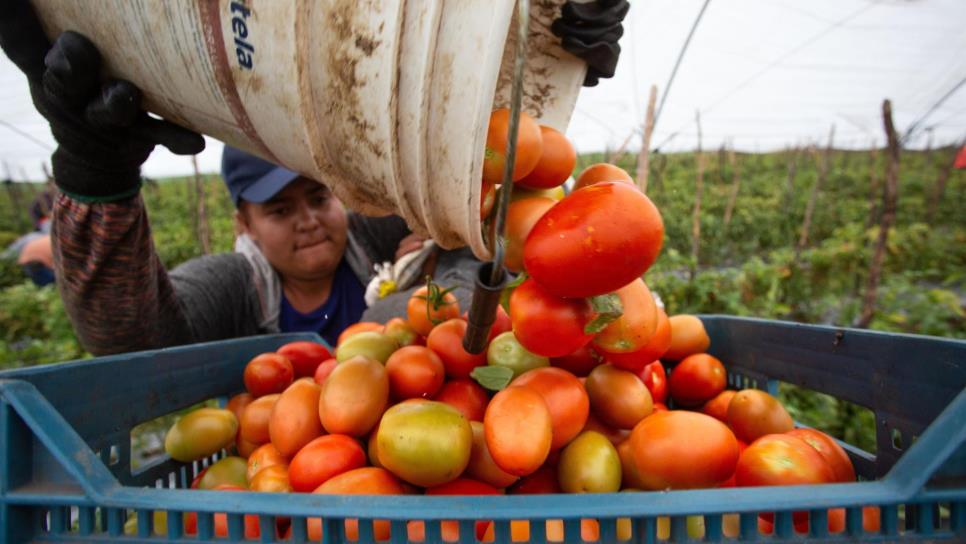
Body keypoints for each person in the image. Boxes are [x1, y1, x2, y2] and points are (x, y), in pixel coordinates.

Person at [0, 0, 628, 355]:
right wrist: (94, 175)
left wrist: (536, 59)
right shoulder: (235, 288)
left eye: (316, 196)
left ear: (341, 194)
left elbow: (478, 222)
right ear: (242, 222)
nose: (306, 221)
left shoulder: (377, 234)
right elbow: (133, 341)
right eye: (277, 210)